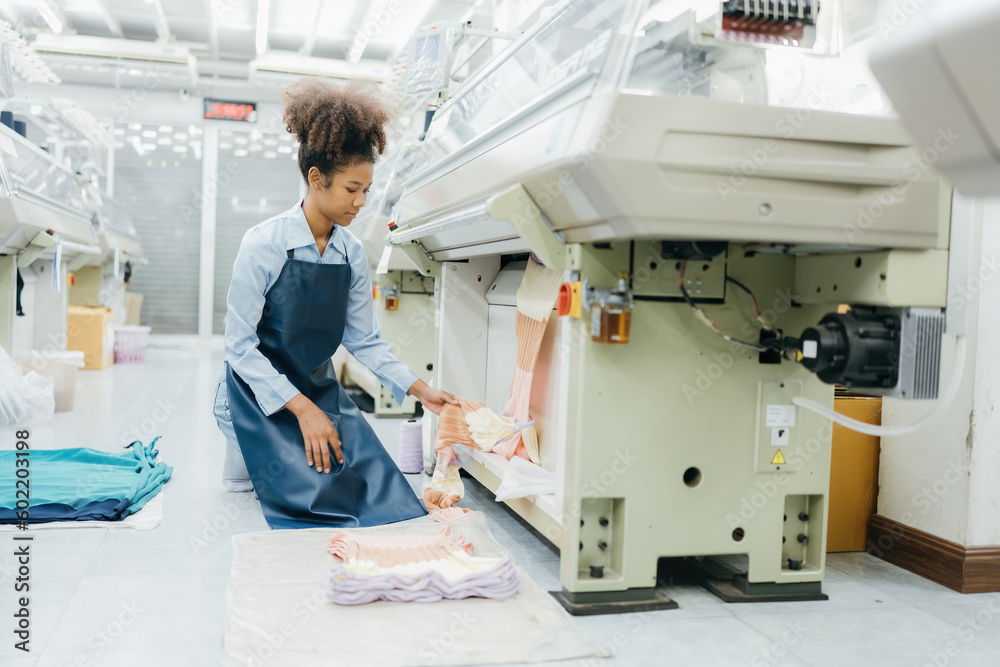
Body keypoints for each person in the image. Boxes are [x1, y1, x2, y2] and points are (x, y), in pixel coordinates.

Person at [212, 77, 457, 529]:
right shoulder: (264, 244)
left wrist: (422, 391)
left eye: (367, 189)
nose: (362, 202)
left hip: (317, 388)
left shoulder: (350, 254)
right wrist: (303, 410)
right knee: (320, 502)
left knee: (385, 493)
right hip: (257, 393)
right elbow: (239, 347)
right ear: (315, 178)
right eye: (351, 189)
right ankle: (242, 448)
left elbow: (364, 341)